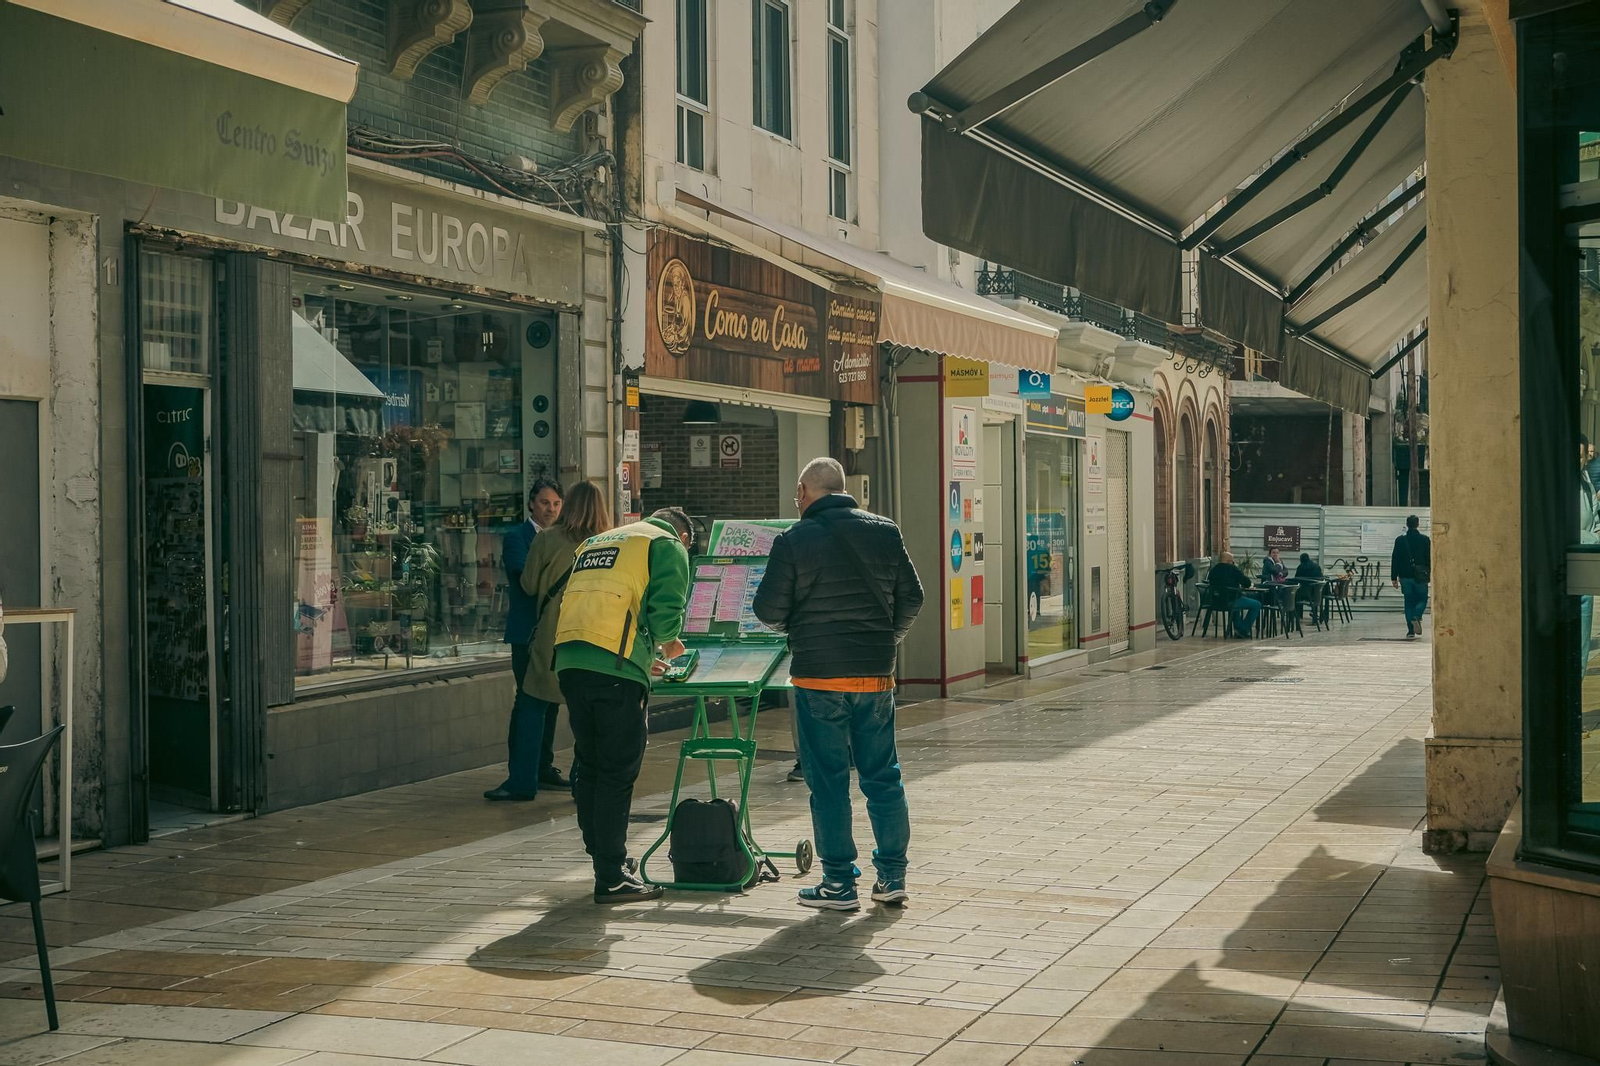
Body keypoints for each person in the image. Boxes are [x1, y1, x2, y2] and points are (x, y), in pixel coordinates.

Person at [753, 457, 924, 911]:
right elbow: (914, 596)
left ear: (803, 490)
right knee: (883, 777)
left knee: (828, 782)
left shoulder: (793, 540)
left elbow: (768, 611)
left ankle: (837, 884)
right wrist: (887, 640)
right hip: (875, 677)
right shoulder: (885, 531)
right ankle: (892, 877)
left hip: (818, 677)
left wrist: (797, 628)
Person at [555, 507, 693, 904]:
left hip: (570, 660)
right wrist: (668, 642)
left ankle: (604, 859)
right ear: (684, 537)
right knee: (617, 769)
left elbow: (604, 606)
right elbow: (665, 613)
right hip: (614, 669)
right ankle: (612, 875)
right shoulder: (666, 544)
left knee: (591, 764)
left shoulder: (600, 541)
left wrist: (640, 650)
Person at [514, 481, 611, 799]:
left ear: (567, 505)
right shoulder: (612, 544)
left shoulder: (548, 539)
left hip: (552, 637)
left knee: (532, 705)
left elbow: (528, 585)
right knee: (588, 714)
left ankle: (523, 783)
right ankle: (581, 780)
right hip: (596, 637)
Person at [487, 478, 567, 801]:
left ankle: (543, 767)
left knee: (550, 703)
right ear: (532, 503)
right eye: (545, 503)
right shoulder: (517, 538)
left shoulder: (562, 539)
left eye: (557, 504)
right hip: (526, 633)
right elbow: (524, 579)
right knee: (527, 702)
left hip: (556, 633)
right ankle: (520, 773)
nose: (551, 509)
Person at [1391, 514, 1433, 640]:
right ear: (1418, 524)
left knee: (1408, 602)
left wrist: (1394, 577)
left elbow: (1395, 559)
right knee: (1422, 598)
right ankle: (1417, 615)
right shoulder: (1425, 539)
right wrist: (1430, 573)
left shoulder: (1400, 540)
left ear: (1407, 524)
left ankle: (1410, 631)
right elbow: (1429, 558)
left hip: (1405, 576)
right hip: (1421, 576)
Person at [1208, 552, 1259, 638]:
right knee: (1256, 604)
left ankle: (1238, 628)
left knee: (1237, 602)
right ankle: (1243, 629)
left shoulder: (1213, 570)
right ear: (1229, 561)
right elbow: (1247, 583)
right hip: (1230, 601)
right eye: (1232, 561)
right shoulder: (1232, 569)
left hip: (1216, 601)